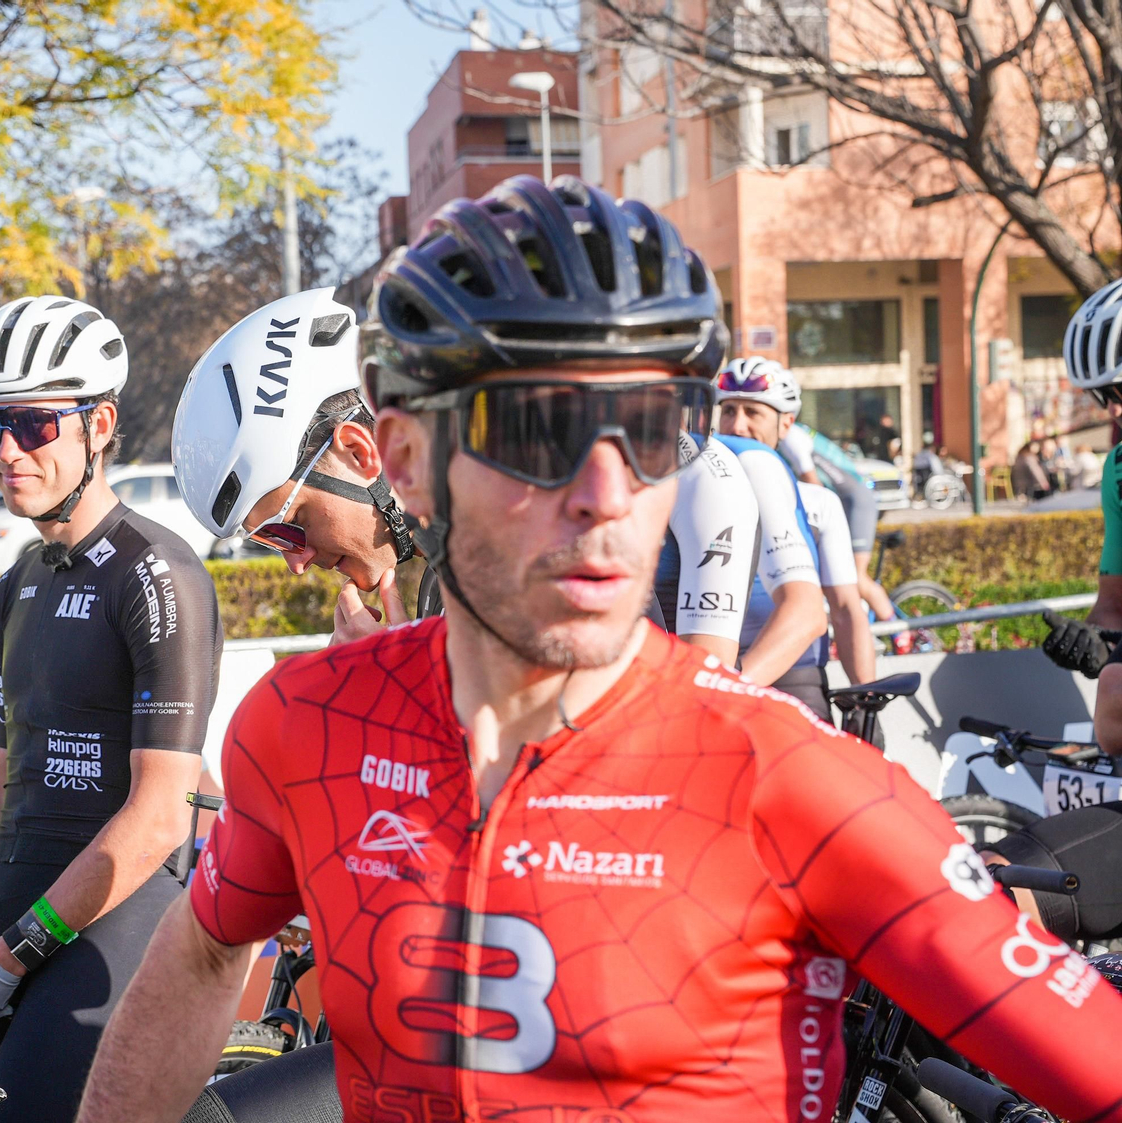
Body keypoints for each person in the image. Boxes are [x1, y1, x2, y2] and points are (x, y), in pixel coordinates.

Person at [76, 175, 1122, 1123]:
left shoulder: (798, 785)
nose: (606, 493)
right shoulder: (302, 724)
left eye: (653, 430)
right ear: (401, 457)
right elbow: (210, 953)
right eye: (537, 432)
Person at [0, 296, 223, 1123]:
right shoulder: (19, 582)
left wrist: (8, 958)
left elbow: (160, 814)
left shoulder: (157, 573)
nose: (7, 451)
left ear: (100, 423)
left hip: (115, 919)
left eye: (36, 424)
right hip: (18, 919)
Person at [170, 287, 420, 645]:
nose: (297, 565)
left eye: (289, 529)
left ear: (357, 453)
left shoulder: (516, 563)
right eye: (273, 541)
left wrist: (392, 678)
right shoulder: (450, 582)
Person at [714, 359, 876, 690]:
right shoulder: (691, 495)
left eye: (752, 413)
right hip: (713, 672)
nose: (737, 426)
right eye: (728, 411)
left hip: (793, 676)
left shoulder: (818, 503)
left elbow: (845, 609)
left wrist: (865, 697)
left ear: (786, 424)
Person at [1043, 278, 1122, 677]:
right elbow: (1115, 605)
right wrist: (1090, 641)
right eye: (1104, 395)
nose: (1114, 411)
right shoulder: (1119, 467)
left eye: (1120, 392)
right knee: (1112, 697)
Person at [780, 416, 896, 622]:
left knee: (856, 577)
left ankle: (899, 633)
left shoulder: (790, 437)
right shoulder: (791, 430)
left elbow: (815, 488)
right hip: (846, 499)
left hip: (857, 501)